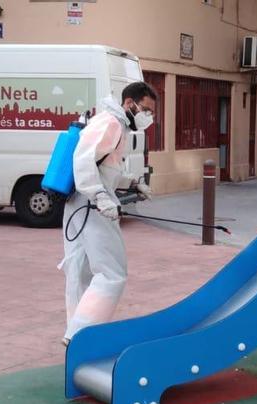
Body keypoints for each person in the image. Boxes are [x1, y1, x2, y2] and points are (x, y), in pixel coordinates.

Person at [59, 81, 157, 346]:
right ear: (130, 104)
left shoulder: (115, 124)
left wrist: (132, 183)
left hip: (81, 202)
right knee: (113, 273)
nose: (148, 117)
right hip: (92, 204)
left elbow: (106, 167)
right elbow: (84, 158)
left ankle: (75, 332)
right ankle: (81, 334)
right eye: (146, 110)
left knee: (80, 271)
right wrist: (100, 196)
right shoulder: (112, 123)